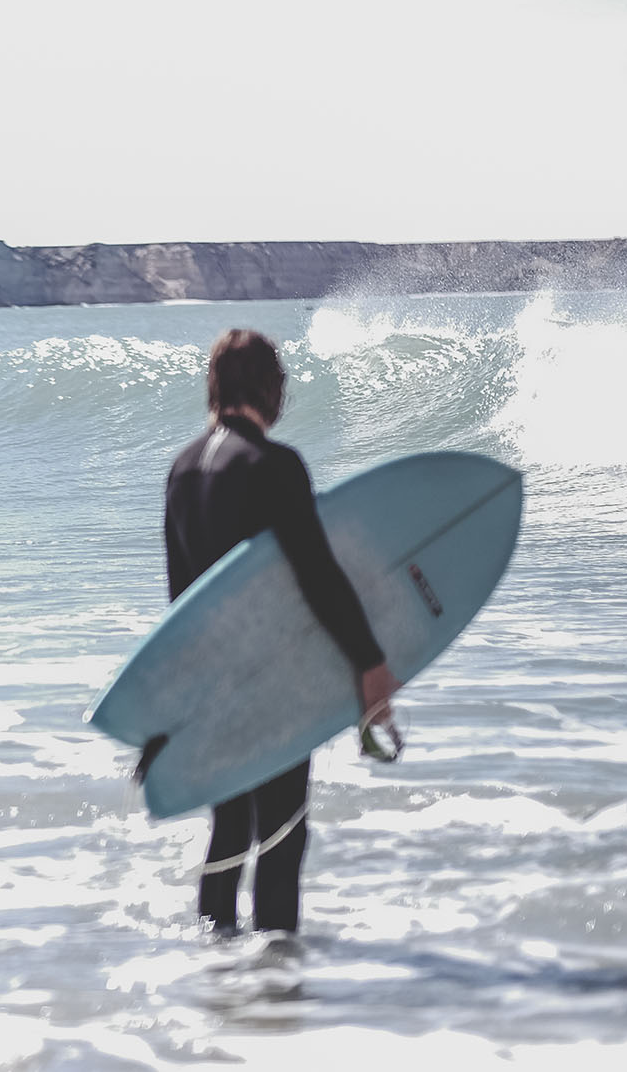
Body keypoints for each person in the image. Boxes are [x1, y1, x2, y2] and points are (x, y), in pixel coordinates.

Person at [164, 328, 400, 935]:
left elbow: (180, 601)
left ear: (214, 388)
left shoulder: (183, 469)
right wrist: (369, 663)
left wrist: (174, 704)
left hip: (210, 685)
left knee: (229, 831)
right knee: (282, 837)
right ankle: (274, 985)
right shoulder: (275, 465)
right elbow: (319, 578)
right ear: (273, 390)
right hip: (269, 681)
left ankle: (218, 965)